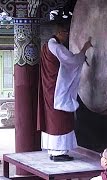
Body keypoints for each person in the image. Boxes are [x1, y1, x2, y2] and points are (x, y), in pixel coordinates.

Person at [37, 21, 92, 162]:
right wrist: (84, 49)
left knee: (53, 118)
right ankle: (58, 152)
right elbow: (71, 60)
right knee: (60, 118)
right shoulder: (56, 47)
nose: (67, 36)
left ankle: (54, 150)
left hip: (50, 89)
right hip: (57, 90)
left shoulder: (48, 45)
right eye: (66, 33)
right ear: (59, 32)